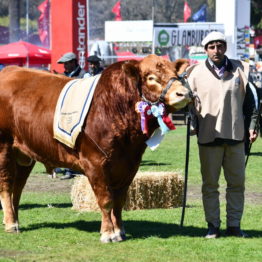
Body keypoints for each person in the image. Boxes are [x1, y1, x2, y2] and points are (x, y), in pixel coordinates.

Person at [187, 31, 258, 238]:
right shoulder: (194, 73)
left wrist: (253, 125)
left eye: (219, 46)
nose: (216, 50)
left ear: (225, 48)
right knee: (210, 185)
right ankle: (213, 226)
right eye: (211, 46)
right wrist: (192, 123)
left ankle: (234, 226)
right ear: (205, 50)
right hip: (208, 137)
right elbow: (188, 105)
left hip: (236, 136)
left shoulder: (241, 68)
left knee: (237, 184)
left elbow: (252, 102)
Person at [54, 52, 86, 179]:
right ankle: (67, 166)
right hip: (65, 111)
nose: (64, 66)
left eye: (66, 63)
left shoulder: (85, 75)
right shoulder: (65, 75)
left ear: (73, 62)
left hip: (79, 113)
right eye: (63, 64)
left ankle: (75, 168)